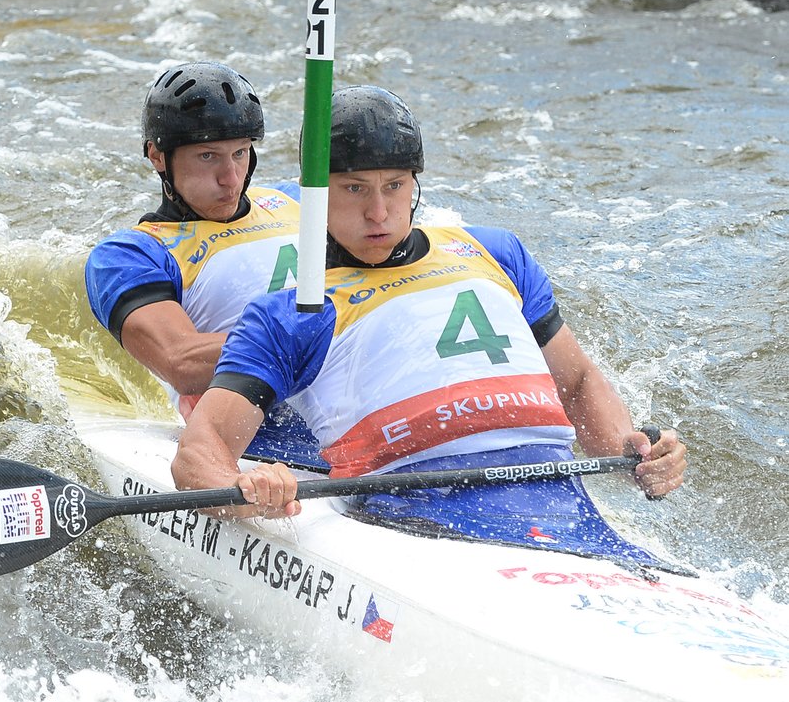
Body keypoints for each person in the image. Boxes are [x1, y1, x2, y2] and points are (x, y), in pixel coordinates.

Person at [171, 85, 688, 528]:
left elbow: (575, 385)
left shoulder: (496, 252)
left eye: (394, 186)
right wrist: (247, 488)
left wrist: (634, 449)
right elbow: (200, 452)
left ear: (414, 185)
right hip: (407, 518)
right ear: (316, 195)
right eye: (354, 189)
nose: (379, 212)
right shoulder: (294, 313)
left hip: (559, 505)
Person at [85, 62, 318, 463]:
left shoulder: (300, 202)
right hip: (255, 443)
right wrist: (320, 337)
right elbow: (181, 361)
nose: (231, 177)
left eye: (241, 153)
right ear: (158, 156)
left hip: (356, 420)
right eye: (209, 156)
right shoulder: (131, 255)